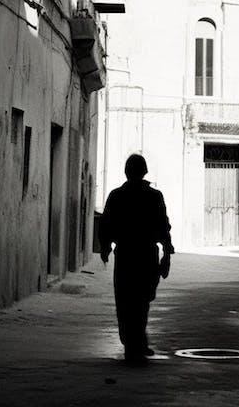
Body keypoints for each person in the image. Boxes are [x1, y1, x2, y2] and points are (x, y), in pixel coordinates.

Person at [98, 154, 174, 365]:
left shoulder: (117, 195)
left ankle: (133, 343)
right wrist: (167, 251)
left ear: (126, 172)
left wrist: (105, 247)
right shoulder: (154, 196)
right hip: (146, 256)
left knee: (125, 301)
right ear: (144, 172)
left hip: (126, 256)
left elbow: (105, 225)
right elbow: (163, 225)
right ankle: (136, 342)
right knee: (141, 300)